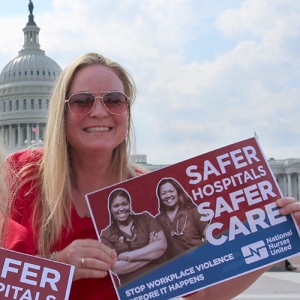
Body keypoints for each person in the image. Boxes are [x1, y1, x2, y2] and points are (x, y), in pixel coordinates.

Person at [5, 51, 300, 300]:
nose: (99, 112)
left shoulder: (150, 191)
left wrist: (280, 240)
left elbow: (201, 292)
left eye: (114, 100)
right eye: (83, 101)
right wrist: (55, 266)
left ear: (127, 112)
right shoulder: (17, 177)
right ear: (62, 112)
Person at [100, 188, 166, 285]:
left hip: (163, 279)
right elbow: (116, 267)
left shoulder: (145, 218)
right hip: (133, 290)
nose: (121, 209)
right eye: (116, 206)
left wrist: (127, 256)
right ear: (110, 209)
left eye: (124, 204)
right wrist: (152, 254)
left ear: (130, 205)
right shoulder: (106, 235)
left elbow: (162, 245)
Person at [155, 177, 208, 260]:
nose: (168, 195)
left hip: (199, 262)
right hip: (175, 269)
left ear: (178, 192)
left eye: (171, 191)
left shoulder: (194, 211)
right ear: (159, 197)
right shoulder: (157, 220)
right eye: (163, 193)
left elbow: (208, 237)